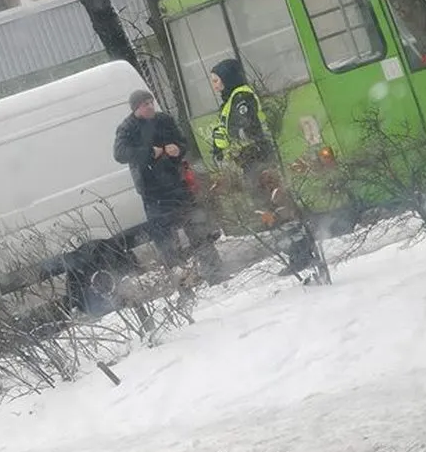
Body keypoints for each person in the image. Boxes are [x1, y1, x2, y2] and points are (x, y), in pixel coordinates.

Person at [209, 58, 316, 275]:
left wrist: (224, 139)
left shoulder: (241, 98)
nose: (215, 85)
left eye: (216, 80)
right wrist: (220, 144)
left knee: (276, 207)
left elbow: (244, 130)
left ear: (227, 78)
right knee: (269, 209)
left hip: (258, 161)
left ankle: (301, 254)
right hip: (250, 162)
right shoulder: (230, 100)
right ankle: (297, 253)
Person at [114, 89, 225, 283]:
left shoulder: (164, 120)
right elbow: (120, 154)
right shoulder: (127, 128)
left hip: (177, 184)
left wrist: (178, 149)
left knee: (196, 228)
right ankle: (183, 282)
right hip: (153, 193)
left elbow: (183, 142)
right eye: (145, 104)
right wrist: (149, 153)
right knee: (167, 242)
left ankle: (214, 272)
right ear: (136, 108)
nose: (150, 107)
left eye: (151, 102)